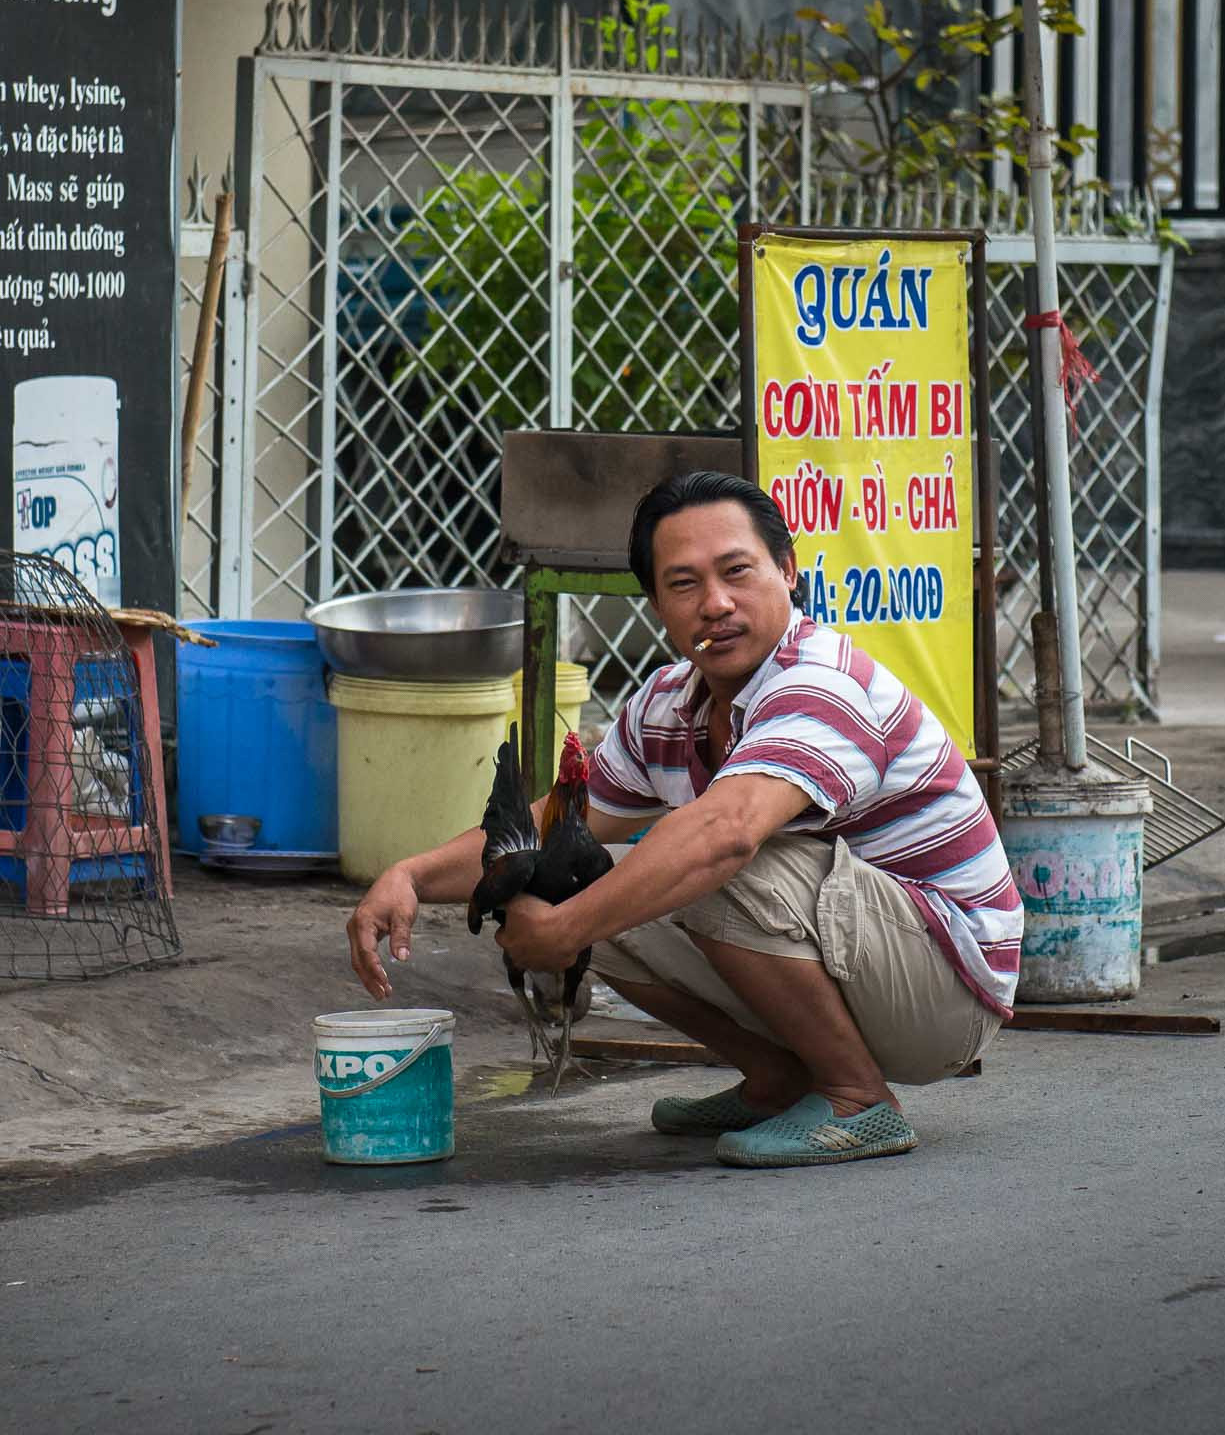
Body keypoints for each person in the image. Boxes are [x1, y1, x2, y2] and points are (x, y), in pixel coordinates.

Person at [345, 470, 1021, 1168]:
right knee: (568, 874)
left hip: (947, 985)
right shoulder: (668, 702)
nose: (717, 604)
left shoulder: (819, 682)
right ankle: (777, 1081)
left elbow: (724, 835)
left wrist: (566, 932)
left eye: (738, 572)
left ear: (788, 572)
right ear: (657, 605)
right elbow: (553, 823)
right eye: (685, 584)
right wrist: (411, 876)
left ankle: (857, 1096)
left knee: (709, 853)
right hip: (866, 966)